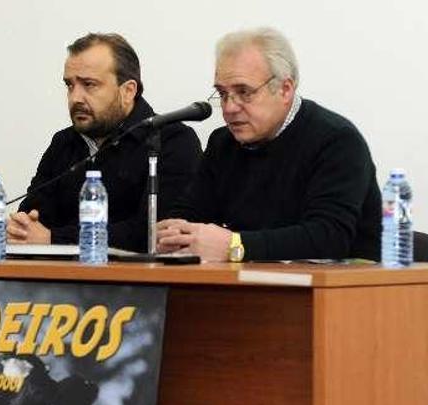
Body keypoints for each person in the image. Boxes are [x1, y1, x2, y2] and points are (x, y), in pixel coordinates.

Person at [157, 27, 381, 262]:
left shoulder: (337, 141)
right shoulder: (223, 143)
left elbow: (328, 238)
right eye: (223, 94)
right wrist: (174, 233)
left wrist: (235, 245)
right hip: (252, 286)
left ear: (285, 89)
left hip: (344, 290)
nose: (229, 107)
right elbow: (190, 214)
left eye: (244, 92)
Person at [7, 33, 202, 251]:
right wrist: (21, 229)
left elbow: (154, 233)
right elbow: (33, 218)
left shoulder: (171, 141)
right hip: (59, 279)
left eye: (89, 85)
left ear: (128, 91)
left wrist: (54, 238)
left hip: (136, 282)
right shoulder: (64, 142)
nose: (75, 98)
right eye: (70, 85)